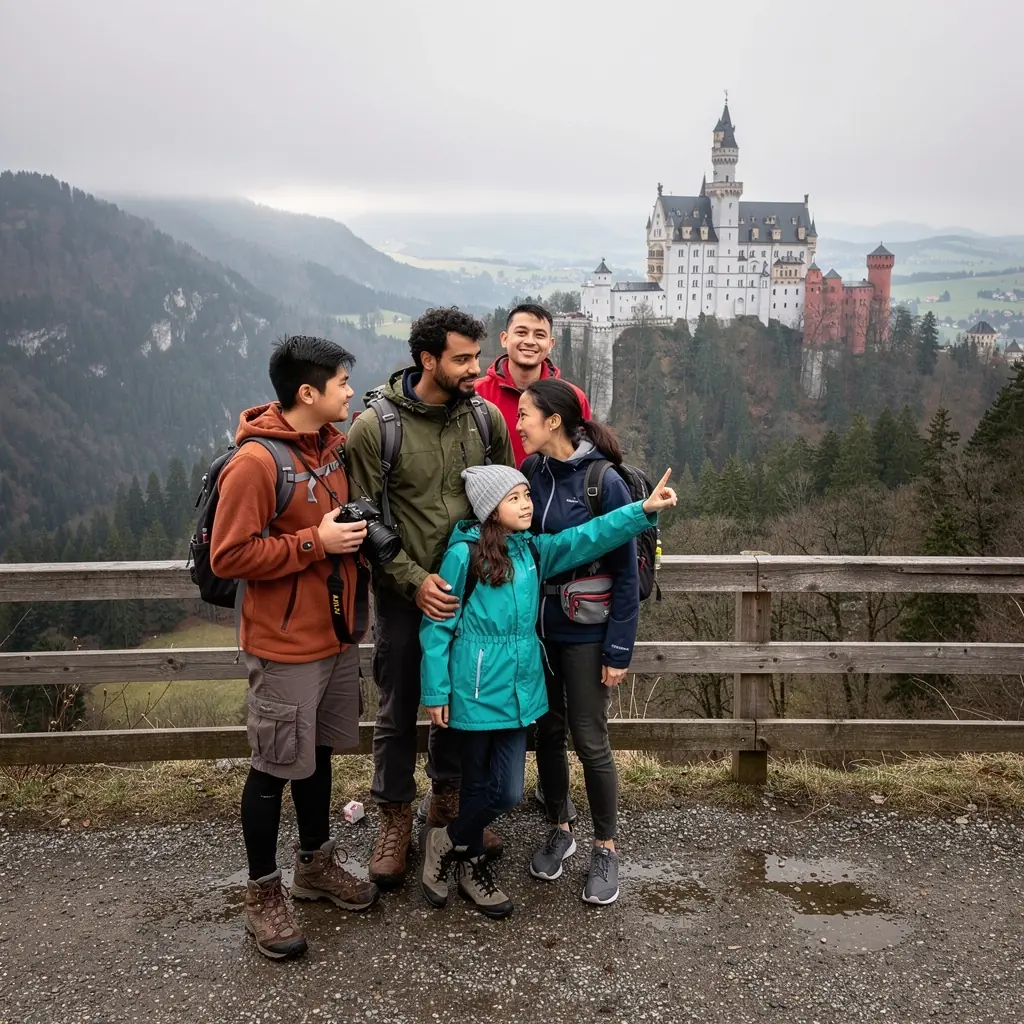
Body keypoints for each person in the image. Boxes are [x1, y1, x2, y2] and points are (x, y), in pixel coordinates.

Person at [418, 463, 677, 918]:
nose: (527, 504)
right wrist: (436, 691)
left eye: (527, 495)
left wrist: (641, 511)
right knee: (476, 785)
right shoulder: (463, 556)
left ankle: (446, 841)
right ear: (490, 509)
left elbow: (588, 537)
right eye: (514, 498)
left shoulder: (532, 551)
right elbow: (437, 626)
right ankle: (471, 864)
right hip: (475, 692)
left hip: (519, 693)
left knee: (508, 792)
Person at [210, 335, 379, 961]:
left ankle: (315, 864)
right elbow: (230, 556)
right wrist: (315, 544)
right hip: (284, 646)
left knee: (318, 756)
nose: (350, 392)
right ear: (308, 392)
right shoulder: (257, 463)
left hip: (335, 636)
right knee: (273, 767)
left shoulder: (331, 449)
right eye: (342, 383)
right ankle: (263, 894)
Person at [345, 307, 515, 890]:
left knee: (461, 703)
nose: (475, 369)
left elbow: (506, 501)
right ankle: (394, 817)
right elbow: (362, 517)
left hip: (473, 597)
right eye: (462, 359)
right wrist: (415, 581)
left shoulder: (485, 420)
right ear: (427, 360)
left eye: (476, 357)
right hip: (402, 597)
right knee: (398, 710)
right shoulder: (376, 428)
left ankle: (447, 798)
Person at [517, 378, 640, 905]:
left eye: (524, 415)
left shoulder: (602, 481)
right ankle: (561, 827)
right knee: (547, 732)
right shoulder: (531, 472)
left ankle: (606, 847)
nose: (517, 423)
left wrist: (619, 649)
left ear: (553, 421)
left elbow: (626, 572)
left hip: (588, 632)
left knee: (590, 738)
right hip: (539, 630)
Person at [475, 302, 591, 469]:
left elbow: (584, 458)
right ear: (504, 339)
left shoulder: (573, 398)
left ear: (550, 344)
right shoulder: (477, 394)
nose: (530, 341)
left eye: (539, 335)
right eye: (521, 333)